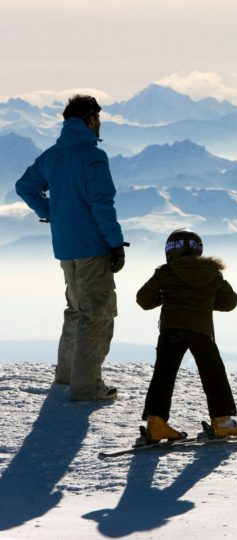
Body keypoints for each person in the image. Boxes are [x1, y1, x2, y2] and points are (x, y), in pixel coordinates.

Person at [15, 94, 126, 401]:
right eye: (99, 118)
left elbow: (24, 186)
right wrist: (115, 244)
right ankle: (86, 386)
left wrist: (51, 211)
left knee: (75, 309)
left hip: (65, 247)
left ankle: (67, 375)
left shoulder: (52, 155)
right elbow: (102, 204)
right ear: (90, 119)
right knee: (97, 314)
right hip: (92, 247)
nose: (100, 123)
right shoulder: (92, 156)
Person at [137, 228, 237, 441]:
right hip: (201, 331)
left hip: (171, 330)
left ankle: (157, 424)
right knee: (213, 375)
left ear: (170, 252)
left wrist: (162, 298)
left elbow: (143, 300)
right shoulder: (212, 273)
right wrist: (206, 302)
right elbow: (230, 302)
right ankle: (223, 422)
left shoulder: (165, 272)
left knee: (163, 375)